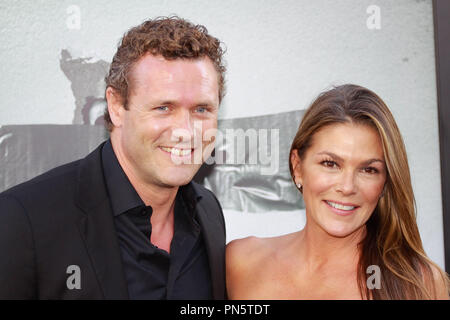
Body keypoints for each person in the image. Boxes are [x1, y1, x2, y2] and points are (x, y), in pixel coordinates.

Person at [0, 16, 227, 299]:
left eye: (202, 110)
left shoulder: (209, 212)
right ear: (116, 106)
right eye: (163, 107)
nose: (186, 131)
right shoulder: (22, 221)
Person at [226, 84, 450, 299]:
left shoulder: (417, 283)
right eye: (330, 164)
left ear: (384, 183)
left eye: (368, 169)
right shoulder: (242, 261)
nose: (347, 187)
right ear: (297, 167)